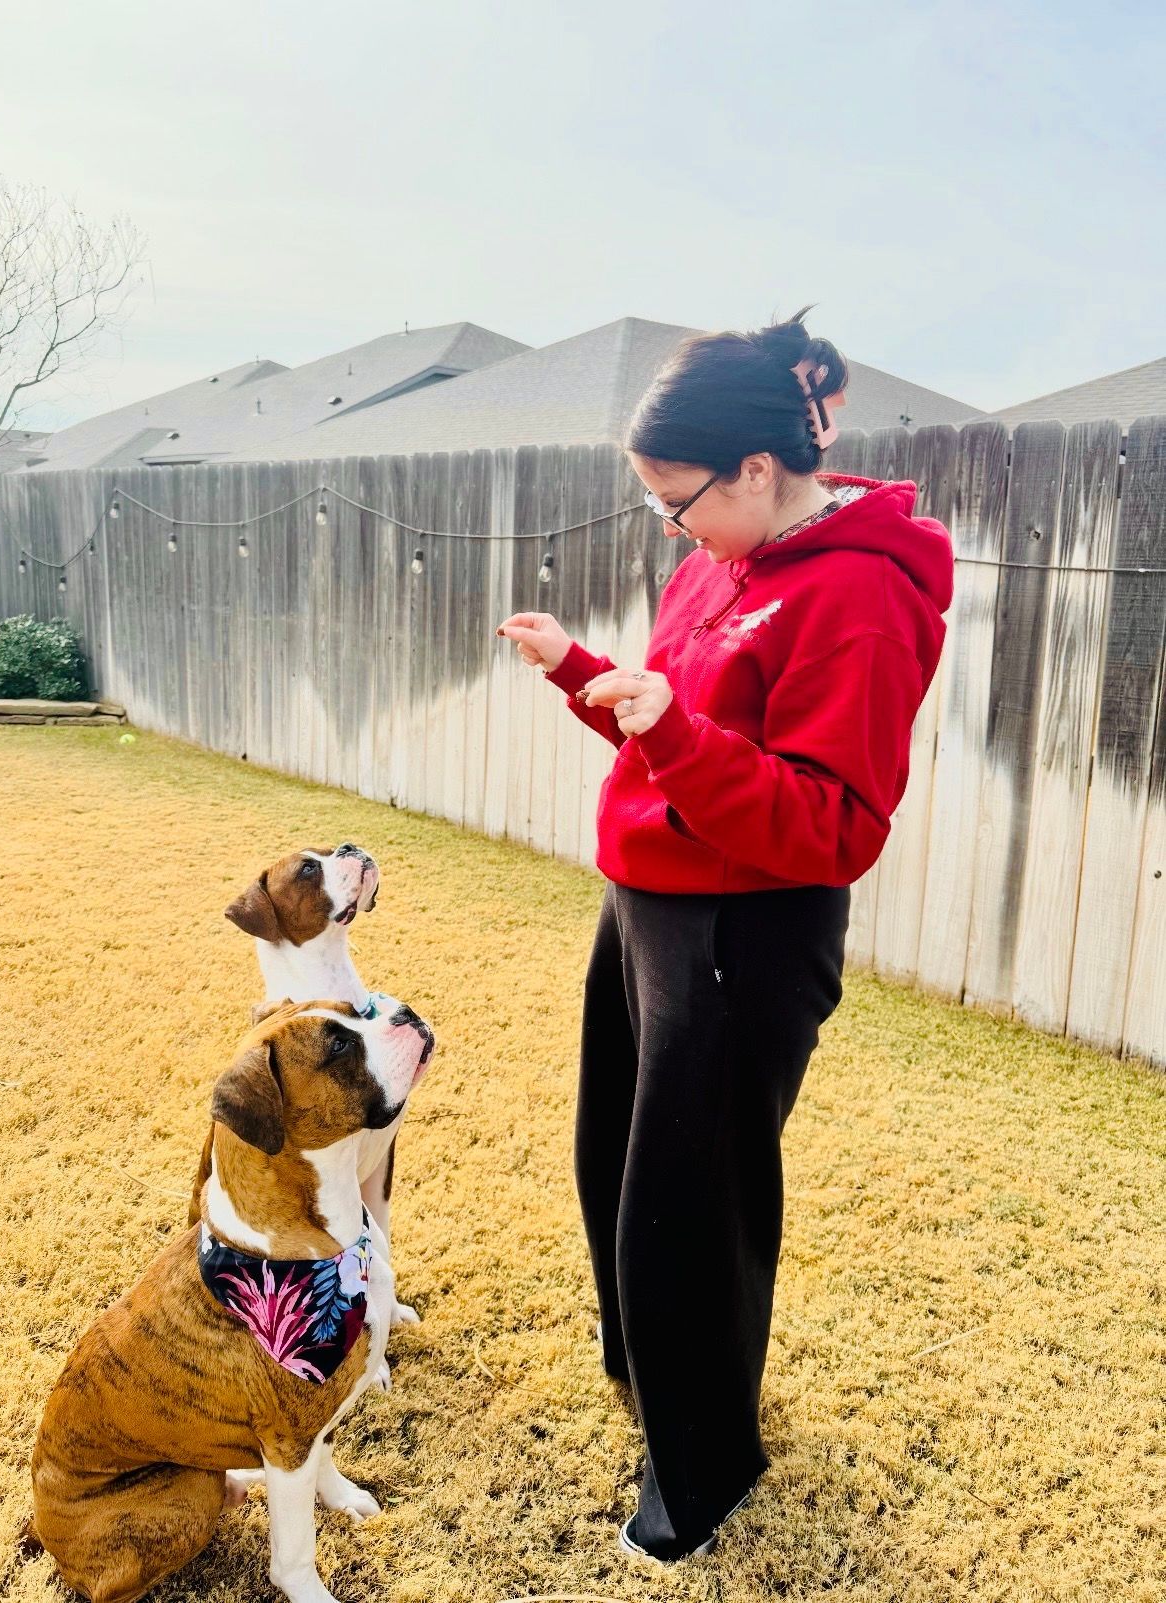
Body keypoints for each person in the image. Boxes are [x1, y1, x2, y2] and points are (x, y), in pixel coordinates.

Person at [496, 308, 953, 1565]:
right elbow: (675, 730)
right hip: (646, 903)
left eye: (675, 500)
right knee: (618, 1166)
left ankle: (701, 1470)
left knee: (695, 1205)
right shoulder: (719, 557)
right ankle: (648, 1384)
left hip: (745, 930)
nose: (669, 527)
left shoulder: (862, 592)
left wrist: (671, 730)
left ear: (758, 469)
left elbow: (831, 822)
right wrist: (579, 666)